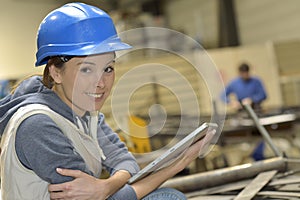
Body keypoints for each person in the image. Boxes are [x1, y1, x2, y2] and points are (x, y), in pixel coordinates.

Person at [0, 3, 215, 200]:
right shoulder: (37, 126)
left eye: (108, 68)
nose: (100, 83)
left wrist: (106, 186)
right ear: (56, 72)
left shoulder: (85, 114)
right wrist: (178, 163)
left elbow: (125, 161)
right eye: (86, 69)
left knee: (165, 196)